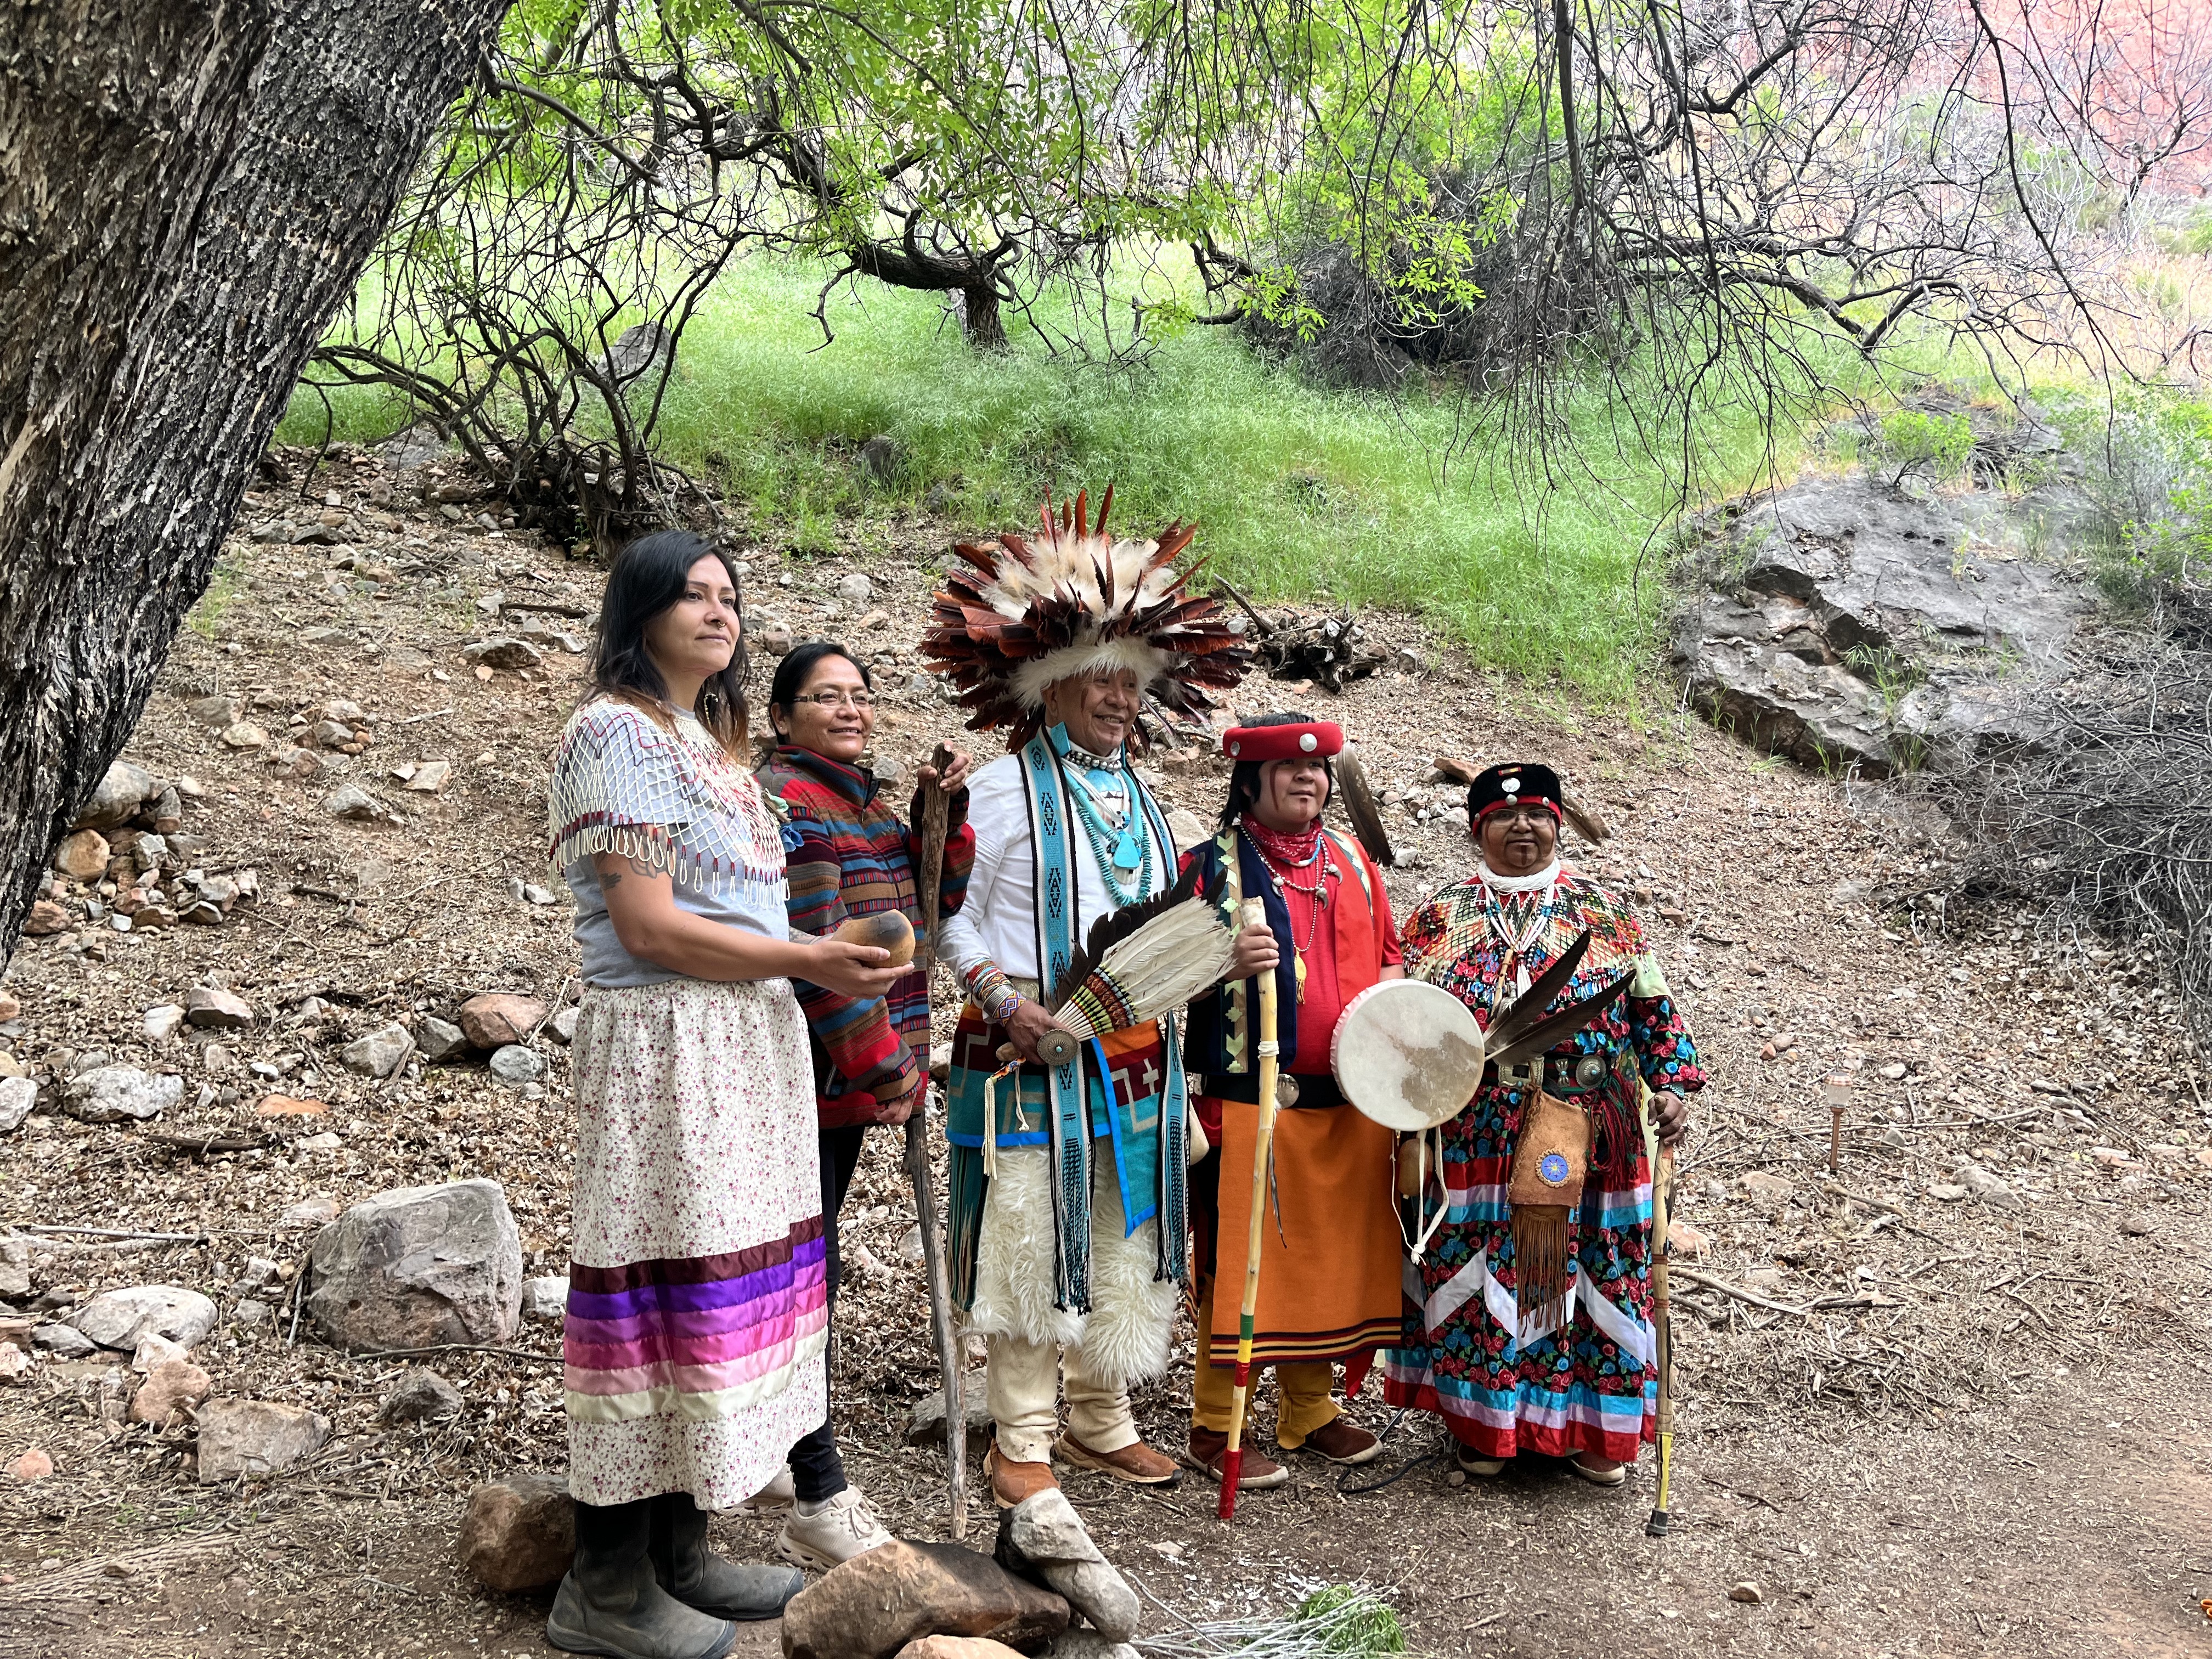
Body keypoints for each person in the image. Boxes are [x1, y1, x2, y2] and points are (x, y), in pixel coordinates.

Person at [545, 532, 907, 1659]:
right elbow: (649, 928)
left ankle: (679, 1551)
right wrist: (809, 957)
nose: (718, 610)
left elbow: (736, 921)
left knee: (721, 1288)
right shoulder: (612, 733)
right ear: (640, 610)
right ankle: (603, 1587)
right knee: (659, 1286)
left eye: (728, 596)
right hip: (667, 1046)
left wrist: (813, 953)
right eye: (691, 595)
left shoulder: (705, 743)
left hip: (740, 1042)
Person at [924, 490, 1256, 1509]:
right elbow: (946, 914)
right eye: (1096, 680)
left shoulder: (1152, 805)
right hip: (1031, 1039)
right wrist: (1000, 1000)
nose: (1117, 698)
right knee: (1029, 1232)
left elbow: (1158, 938)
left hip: (1137, 1046)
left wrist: (1216, 957)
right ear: (1051, 687)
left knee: (1129, 1226)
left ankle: (1103, 1417)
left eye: (1129, 682)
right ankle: (1019, 1434)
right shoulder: (996, 790)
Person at [1382, 762, 1701, 1486]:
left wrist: (1673, 1083)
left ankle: (1593, 1434)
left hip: (1593, 1126)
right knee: (1479, 1268)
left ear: (1558, 824)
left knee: (1594, 1273)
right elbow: (1400, 1023)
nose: (1522, 826)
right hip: (1478, 1126)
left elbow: (1652, 1006)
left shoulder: (1605, 912)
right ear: (1477, 831)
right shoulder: (1439, 916)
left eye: (1537, 814)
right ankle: (1487, 1427)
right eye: (1503, 815)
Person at [752, 640, 974, 1563]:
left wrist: (941, 818)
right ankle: (815, 1481)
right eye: (825, 697)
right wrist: (887, 1068)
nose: (850, 710)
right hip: (814, 1074)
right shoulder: (792, 806)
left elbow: (934, 904)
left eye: (860, 695)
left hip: (860, 1078)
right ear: (782, 717)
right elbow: (822, 963)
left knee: (798, 1263)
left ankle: (761, 1435)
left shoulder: (863, 799)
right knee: (807, 1274)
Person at [1177, 714, 1406, 1487]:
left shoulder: (1353, 861)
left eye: (1318, 772)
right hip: (1247, 1099)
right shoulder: (1207, 867)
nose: (1308, 781)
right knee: (1238, 1261)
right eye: (1289, 770)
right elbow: (1151, 980)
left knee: (1326, 1255)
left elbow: (1389, 960)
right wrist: (1218, 961)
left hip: (1350, 1099)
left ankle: (1308, 1410)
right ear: (1251, 780)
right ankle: (1216, 1423)